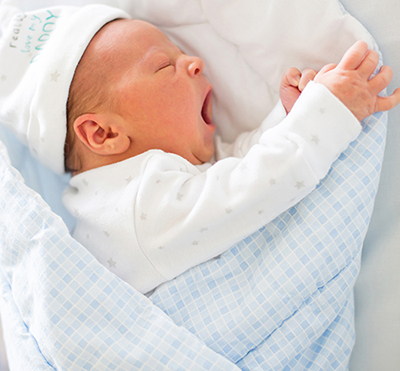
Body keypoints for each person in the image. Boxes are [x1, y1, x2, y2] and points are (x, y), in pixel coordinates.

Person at [60, 17, 400, 294]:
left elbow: (233, 172)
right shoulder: (130, 209)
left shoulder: (162, 179)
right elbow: (245, 193)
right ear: (103, 134)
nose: (194, 61)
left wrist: (288, 117)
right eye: (164, 66)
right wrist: (325, 114)